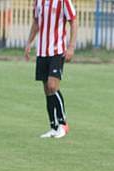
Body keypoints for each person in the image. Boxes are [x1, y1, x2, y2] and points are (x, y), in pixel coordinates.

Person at [24, 0, 77, 139]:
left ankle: (63, 124)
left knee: (52, 86)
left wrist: (71, 47)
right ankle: (53, 127)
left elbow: (73, 20)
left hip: (57, 50)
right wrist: (29, 42)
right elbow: (36, 22)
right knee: (47, 90)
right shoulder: (38, 1)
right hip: (42, 51)